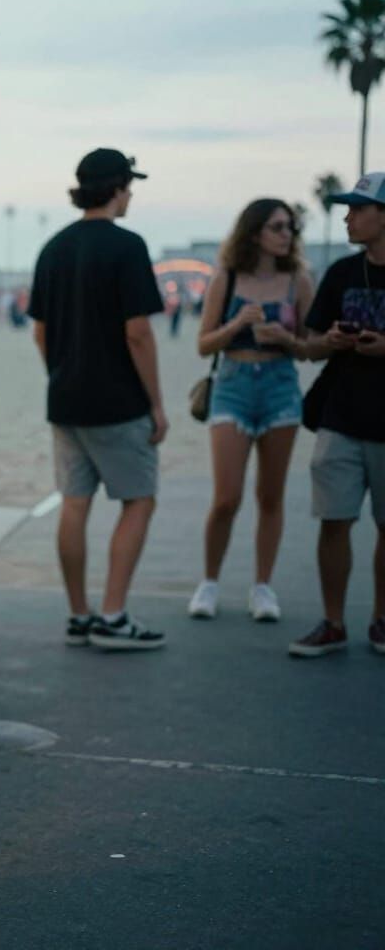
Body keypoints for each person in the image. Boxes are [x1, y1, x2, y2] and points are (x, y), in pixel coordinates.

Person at [28, 147, 167, 651]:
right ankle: (113, 613)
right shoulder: (127, 247)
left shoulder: (54, 248)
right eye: (128, 185)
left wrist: (60, 376)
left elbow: (40, 332)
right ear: (114, 188)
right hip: (118, 401)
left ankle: (79, 614)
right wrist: (156, 402)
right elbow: (139, 333)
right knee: (139, 499)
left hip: (65, 398)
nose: (130, 193)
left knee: (75, 503)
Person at [188, 200, 313, 623]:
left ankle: (262, 587)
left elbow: (312, 346)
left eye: (291, 228)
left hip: (280, 387)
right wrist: (238, 323)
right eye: (278, 226)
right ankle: (209, 582)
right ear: (255, 231)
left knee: (270, 496)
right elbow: (204, 343)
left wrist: (288, 339)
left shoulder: (298, 279)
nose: (286, 235)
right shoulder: (227, 277)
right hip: (233, 386)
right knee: (226, 497)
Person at [288, 172, 385, 657]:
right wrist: (327, 343)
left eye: (358, 208)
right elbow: (307, 347)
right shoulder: (342, 274)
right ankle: (332, 621)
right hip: (340, 418)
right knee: (333, 521)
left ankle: (381, 620)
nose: (347, 216)